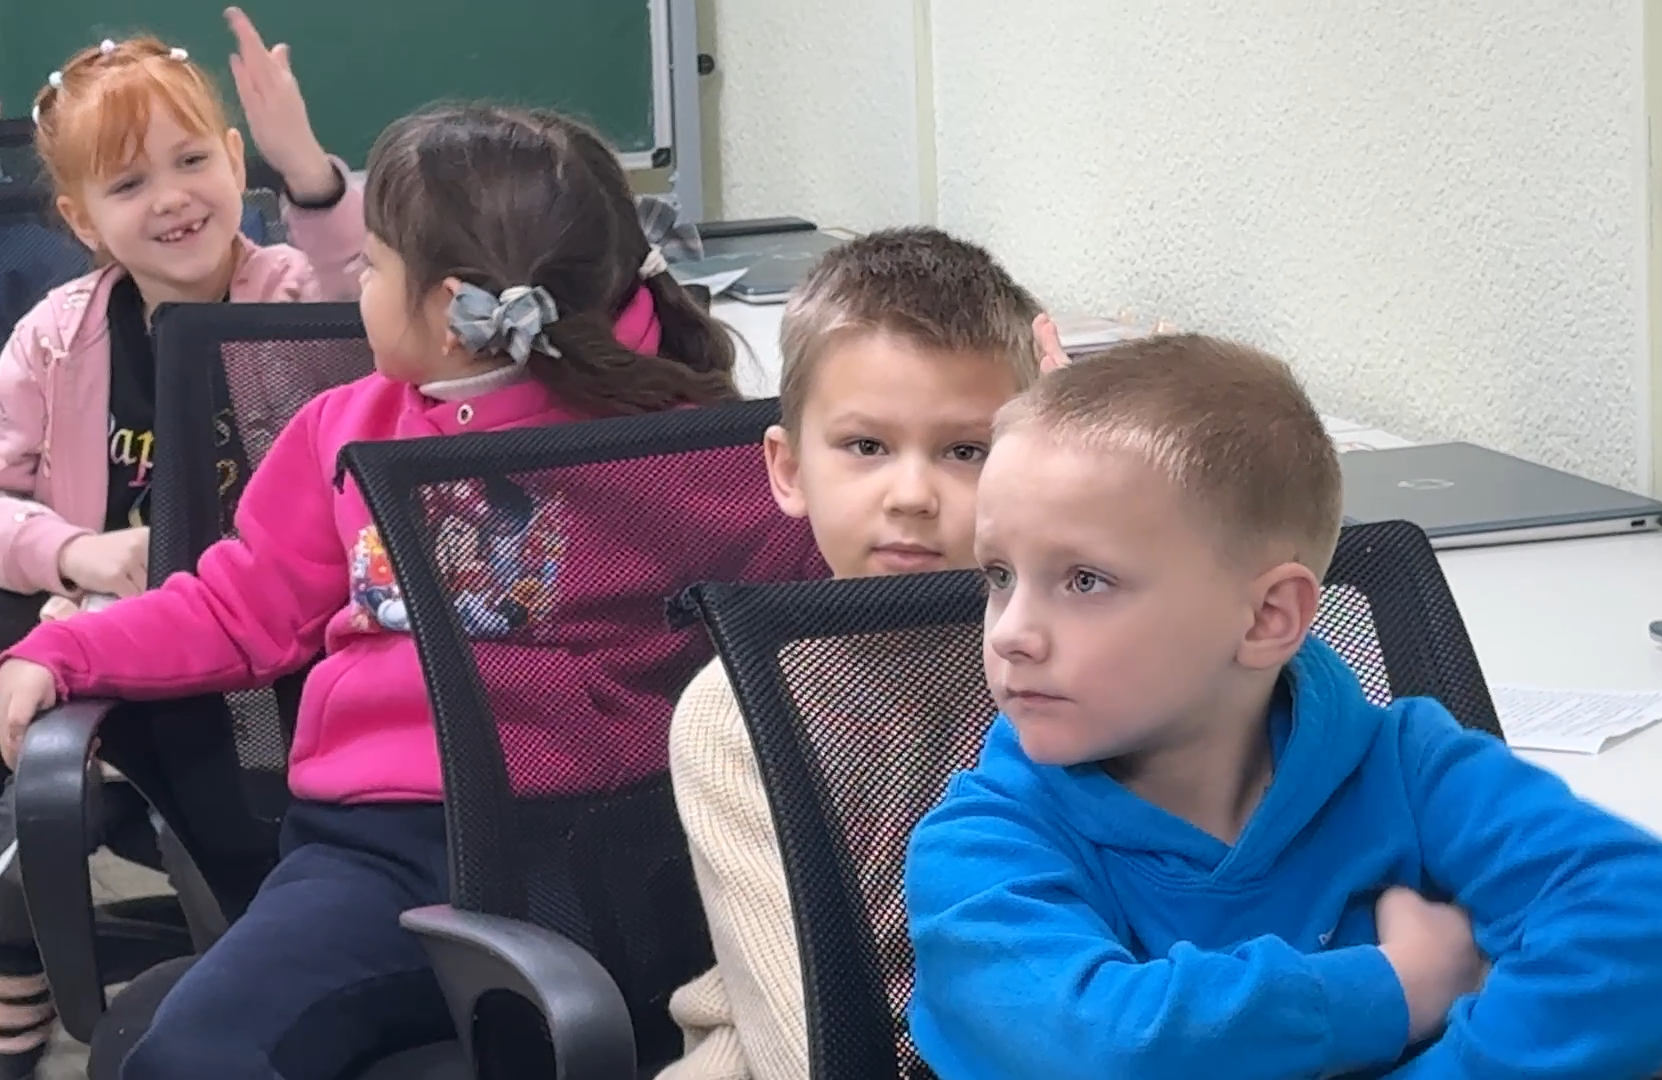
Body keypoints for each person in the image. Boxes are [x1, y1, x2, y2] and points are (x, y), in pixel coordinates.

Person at [0, 100, 740, 1080]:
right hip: (394, 859)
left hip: (626, 859)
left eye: (377, 264)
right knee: (196, 1050)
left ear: (447, 306)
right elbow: (234, 608)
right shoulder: (347, 429)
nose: (362, 286)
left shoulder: (685, 427)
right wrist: (65, 650)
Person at [905, 335, 1662, 1079]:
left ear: (1269, 617)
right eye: (999, 576)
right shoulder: (979, 846)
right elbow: (1109, 1049)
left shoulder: (1408, 767)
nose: (1012, 632)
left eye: (1085, 581)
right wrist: (1399, 986)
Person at [0, 12, 364, 1073]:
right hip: (117, 629)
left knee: (257, 827)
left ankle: (262, 941)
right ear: (79, 217)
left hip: (277, 635)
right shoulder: (56, 337)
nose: (171, 199)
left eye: (193, 160)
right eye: (127, 185)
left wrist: (308, 171)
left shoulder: (296, 292)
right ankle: (24, 946)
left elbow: (366, 303)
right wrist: (75, 552)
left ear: (235, 160)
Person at [663, 227, 1058, 1080]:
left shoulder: (1069, 665)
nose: (912, 495)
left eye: (967, 451)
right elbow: (809, 1044)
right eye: (866, 447)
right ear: (789, 469)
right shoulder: (737, 713)